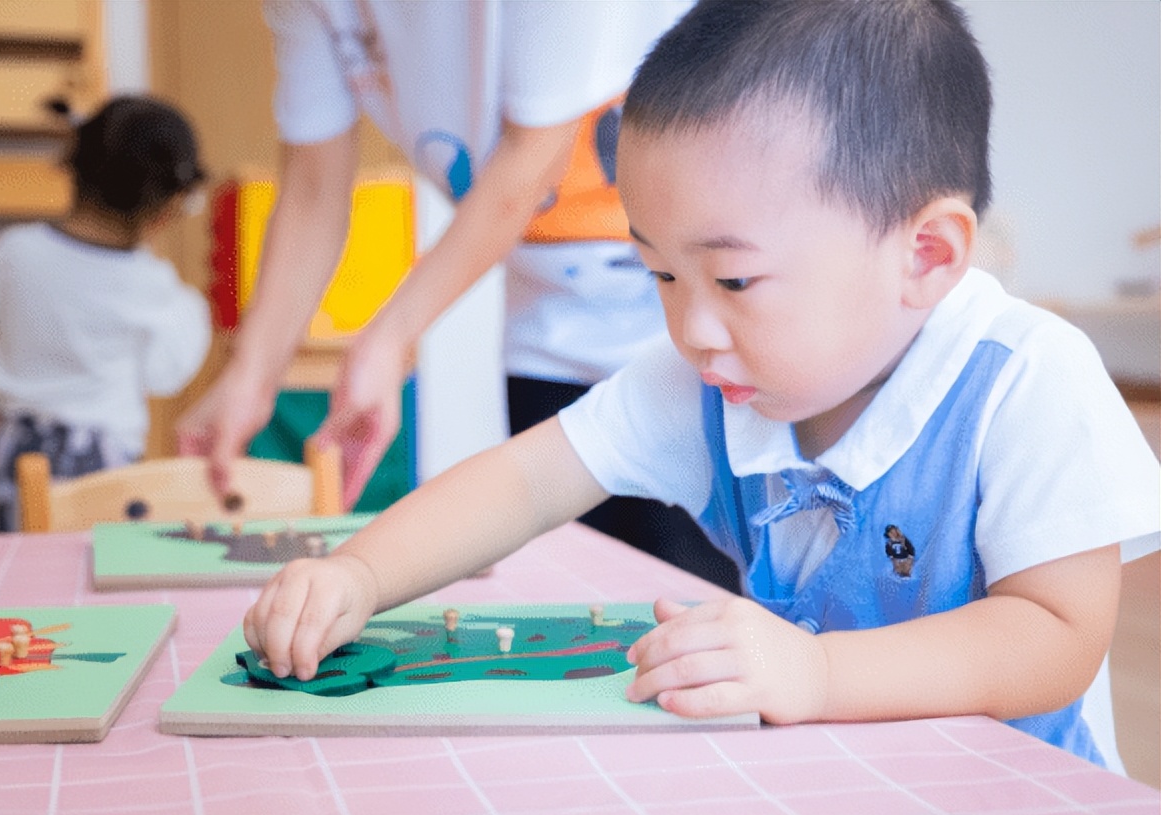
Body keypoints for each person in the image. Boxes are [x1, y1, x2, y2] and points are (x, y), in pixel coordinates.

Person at [239, 0, 1161, 772]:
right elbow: (526, 481)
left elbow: (1054, 638)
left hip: (1018, 799)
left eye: (733, 280)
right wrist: (360, 573)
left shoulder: (1023, 381)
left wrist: (818, 674)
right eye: (663, 276)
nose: (691, 327)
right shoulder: (712, 382)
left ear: (924, 253)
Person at [175, 0, 741, 591]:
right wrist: (251, 377)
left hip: (691, 325)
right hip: (545, 328)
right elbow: (314, 188)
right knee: (581, 596)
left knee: (695, 598)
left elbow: (533, 162)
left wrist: (388, 341)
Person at [0, 96, 211, 532]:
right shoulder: (151, 285)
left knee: (9, 565)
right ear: (167, 208)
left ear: (75, 166)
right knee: (91, 566)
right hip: (100, 469)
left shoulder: (15, 251)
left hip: (10, 457)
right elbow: (164, 376)